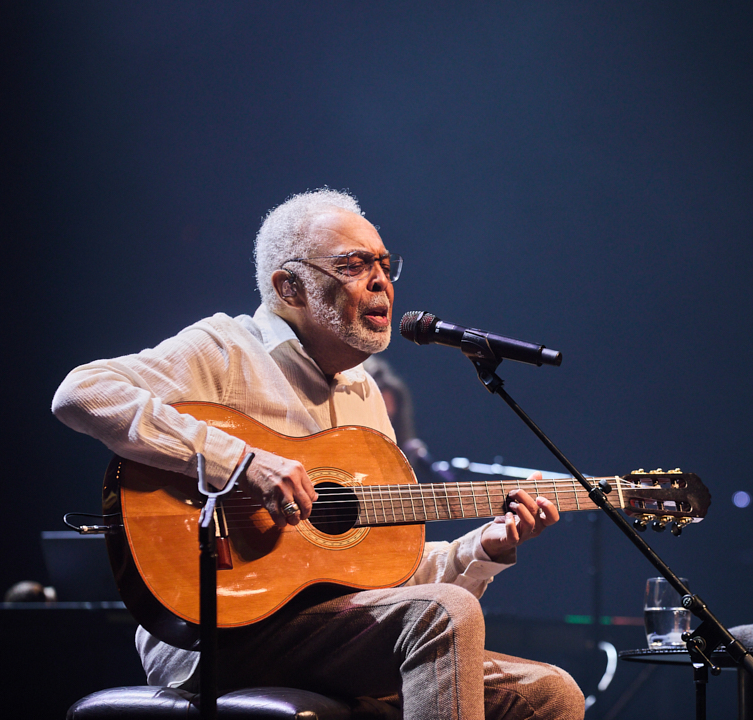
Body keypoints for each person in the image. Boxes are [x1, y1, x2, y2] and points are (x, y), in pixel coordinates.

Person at [52, 189, 585, 720]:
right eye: (353, 264)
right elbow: (82, 393)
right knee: (444, 613)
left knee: (551, 692)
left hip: (330, 630)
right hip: (216, 633)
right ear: (290, 285)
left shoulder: (364, 393)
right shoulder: (226, 349)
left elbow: (380, 570)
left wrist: (481, 550)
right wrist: (241, 463)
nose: (380, 279)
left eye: (383, 263)